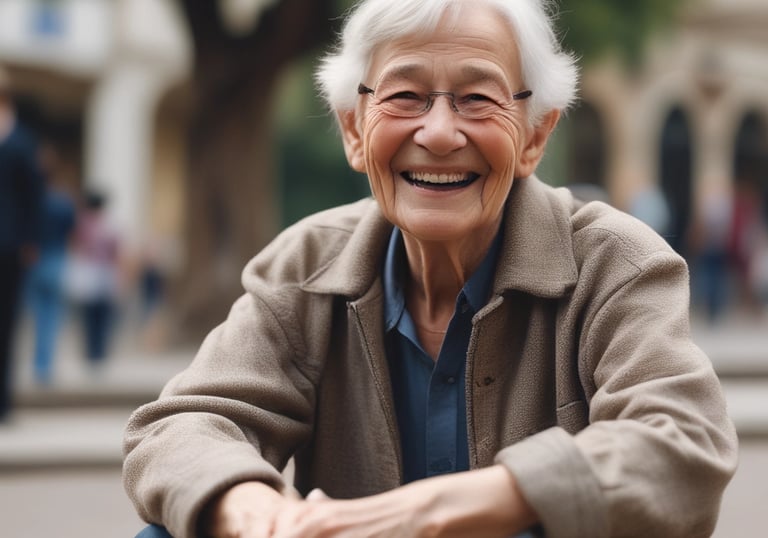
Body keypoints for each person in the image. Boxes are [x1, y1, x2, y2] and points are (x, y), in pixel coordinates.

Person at [123, 1, 738, 537]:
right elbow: (180, 427)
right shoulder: (305, 265)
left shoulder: (616, 265)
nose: (440, 133)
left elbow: (681, 446)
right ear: (353, 130)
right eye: (404, 96)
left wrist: (434, 513)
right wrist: (253, 512)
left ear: (534, 136)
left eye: (478, 98)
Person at [0, 66, 45, 421]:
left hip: (10, 245)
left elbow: (34, 196)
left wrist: (32, 240)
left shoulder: (21, 139)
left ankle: (4, 400)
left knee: (7, 323)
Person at [25, 144, 77, 384]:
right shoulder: (62, 200)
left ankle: (34, 363)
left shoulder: (30, 200)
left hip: (32, 259)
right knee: (50, 315)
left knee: (30, 314)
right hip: (56, 257)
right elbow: (72, 232)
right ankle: (43, 366)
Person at [68, 191, 121, 365]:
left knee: (88, 316)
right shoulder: (109, 226)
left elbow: (76, 248)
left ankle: (90, 352)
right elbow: (116, 251)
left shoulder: (81, 225)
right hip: (105, 273)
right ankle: (100, 352)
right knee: (103, 316)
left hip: (88, 273)